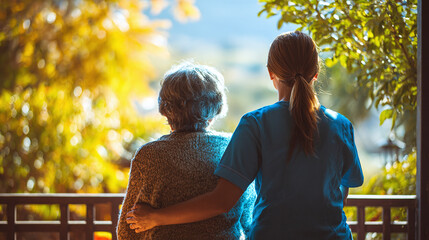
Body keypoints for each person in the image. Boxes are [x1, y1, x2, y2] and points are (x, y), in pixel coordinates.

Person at [126, 31, 364, 239]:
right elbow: (341, 196)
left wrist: (156, 217)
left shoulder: (256, 124)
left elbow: (222, 201)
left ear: (271, 73)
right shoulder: (340, 125)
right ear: (315, 74)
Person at [117, 62, 256, 240]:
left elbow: (127, 231)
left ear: (165, 109)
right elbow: (249, 221)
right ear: (215, 107)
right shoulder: (233, 147)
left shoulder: (148, 155)